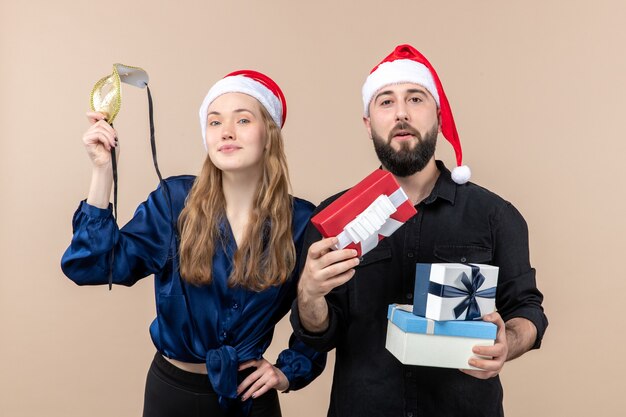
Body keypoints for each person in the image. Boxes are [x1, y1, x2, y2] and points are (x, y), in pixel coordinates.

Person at [290, 44, 548, 417]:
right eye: (385, 102)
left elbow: (527, 310)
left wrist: (508, 340)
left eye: (415, 98)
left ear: (439, 117)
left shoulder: (495, 215)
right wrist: (310, 293)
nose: (401, 114)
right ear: (368, 124)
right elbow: (320, 333)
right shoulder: (334, 218)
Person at [61, 70, 325, 417]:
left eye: (243, 120)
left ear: (269, 135)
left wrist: (288, 371)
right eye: (214, 122)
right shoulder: (173, 202)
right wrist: (102, 173)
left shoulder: (302, 221)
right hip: (172, 396)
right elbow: (92, 265)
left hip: (250, 399)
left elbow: (321, 315)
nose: (226, 131)